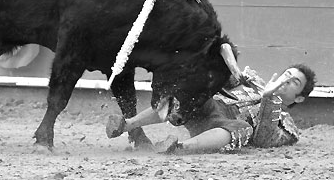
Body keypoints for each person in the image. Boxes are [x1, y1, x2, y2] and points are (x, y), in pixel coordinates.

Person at [106, 63, 317, 153]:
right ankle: (127, 125)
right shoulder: (255, 82)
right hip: (209, 107)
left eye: (294, 82)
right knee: (191, 92)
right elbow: (221, 80)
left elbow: (263, 140)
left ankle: (178, 148)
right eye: (287, 75)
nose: (286, 80)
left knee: (243, 127)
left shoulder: (289, 127)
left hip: (221, 127)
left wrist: (270, 99)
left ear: (299, 98)